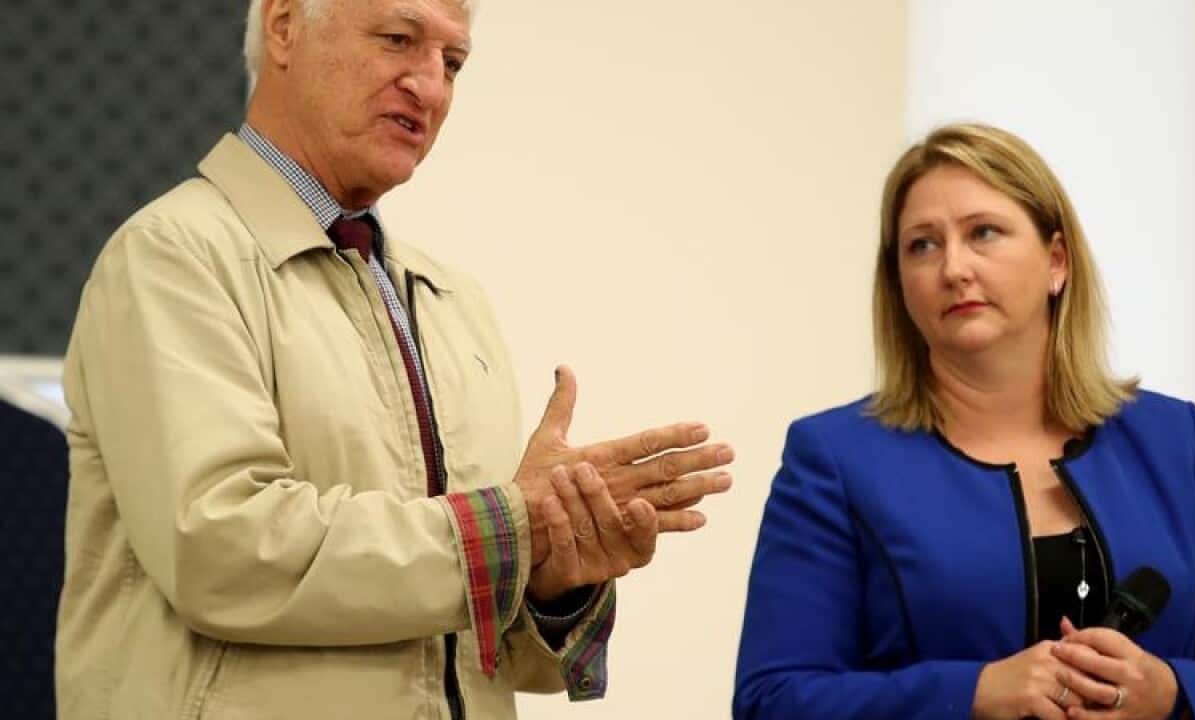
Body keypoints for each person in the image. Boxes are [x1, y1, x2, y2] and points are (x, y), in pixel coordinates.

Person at [55, 0, 734, 718]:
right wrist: (506, 529)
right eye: (397, 39)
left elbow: (463, 636)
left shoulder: (452, 300)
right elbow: (221, 548)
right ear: (284, 26)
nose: (431, 87)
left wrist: (551, 574)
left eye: (452, 62)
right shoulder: (172, 256)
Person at [733, 123, 1195, 719]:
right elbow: (772, 702)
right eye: (922, 245)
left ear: (1056, 261)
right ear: (899, 286)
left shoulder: (1177, 441)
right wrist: (974, 693)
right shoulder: (835, 459)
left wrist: (1170, 694)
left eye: (983, 233)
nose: (954, 268)